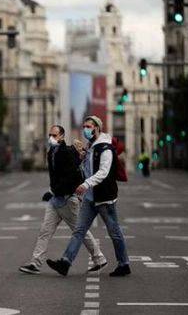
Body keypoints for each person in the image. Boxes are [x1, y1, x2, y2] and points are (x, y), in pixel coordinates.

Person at [47, 116, 131, 277]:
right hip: (90, 197)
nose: (85, 129)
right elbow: (88, 170)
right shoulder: (91, 146)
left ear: (97, 128)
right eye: (84, 126)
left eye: (89, 126)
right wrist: (81, 158)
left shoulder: (105, 148)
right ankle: (65, 262)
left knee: (114, 232)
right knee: (79, 230)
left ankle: (124, 264)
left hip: (105, 197)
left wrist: (85, 184)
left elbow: (103, 172)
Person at [19, 125, 108, 275]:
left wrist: (62, 189)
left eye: (54, 135)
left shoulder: (66, 152)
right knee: (45, 231)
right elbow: (55, 176)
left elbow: (74, 176)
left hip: (68, 200)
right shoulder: (51, 152)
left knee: (80, 232)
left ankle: (99, 259)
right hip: (55, 200)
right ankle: (35, 263)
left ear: (61, 136)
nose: (51, 138)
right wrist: (51, 191)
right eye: (50, 135)